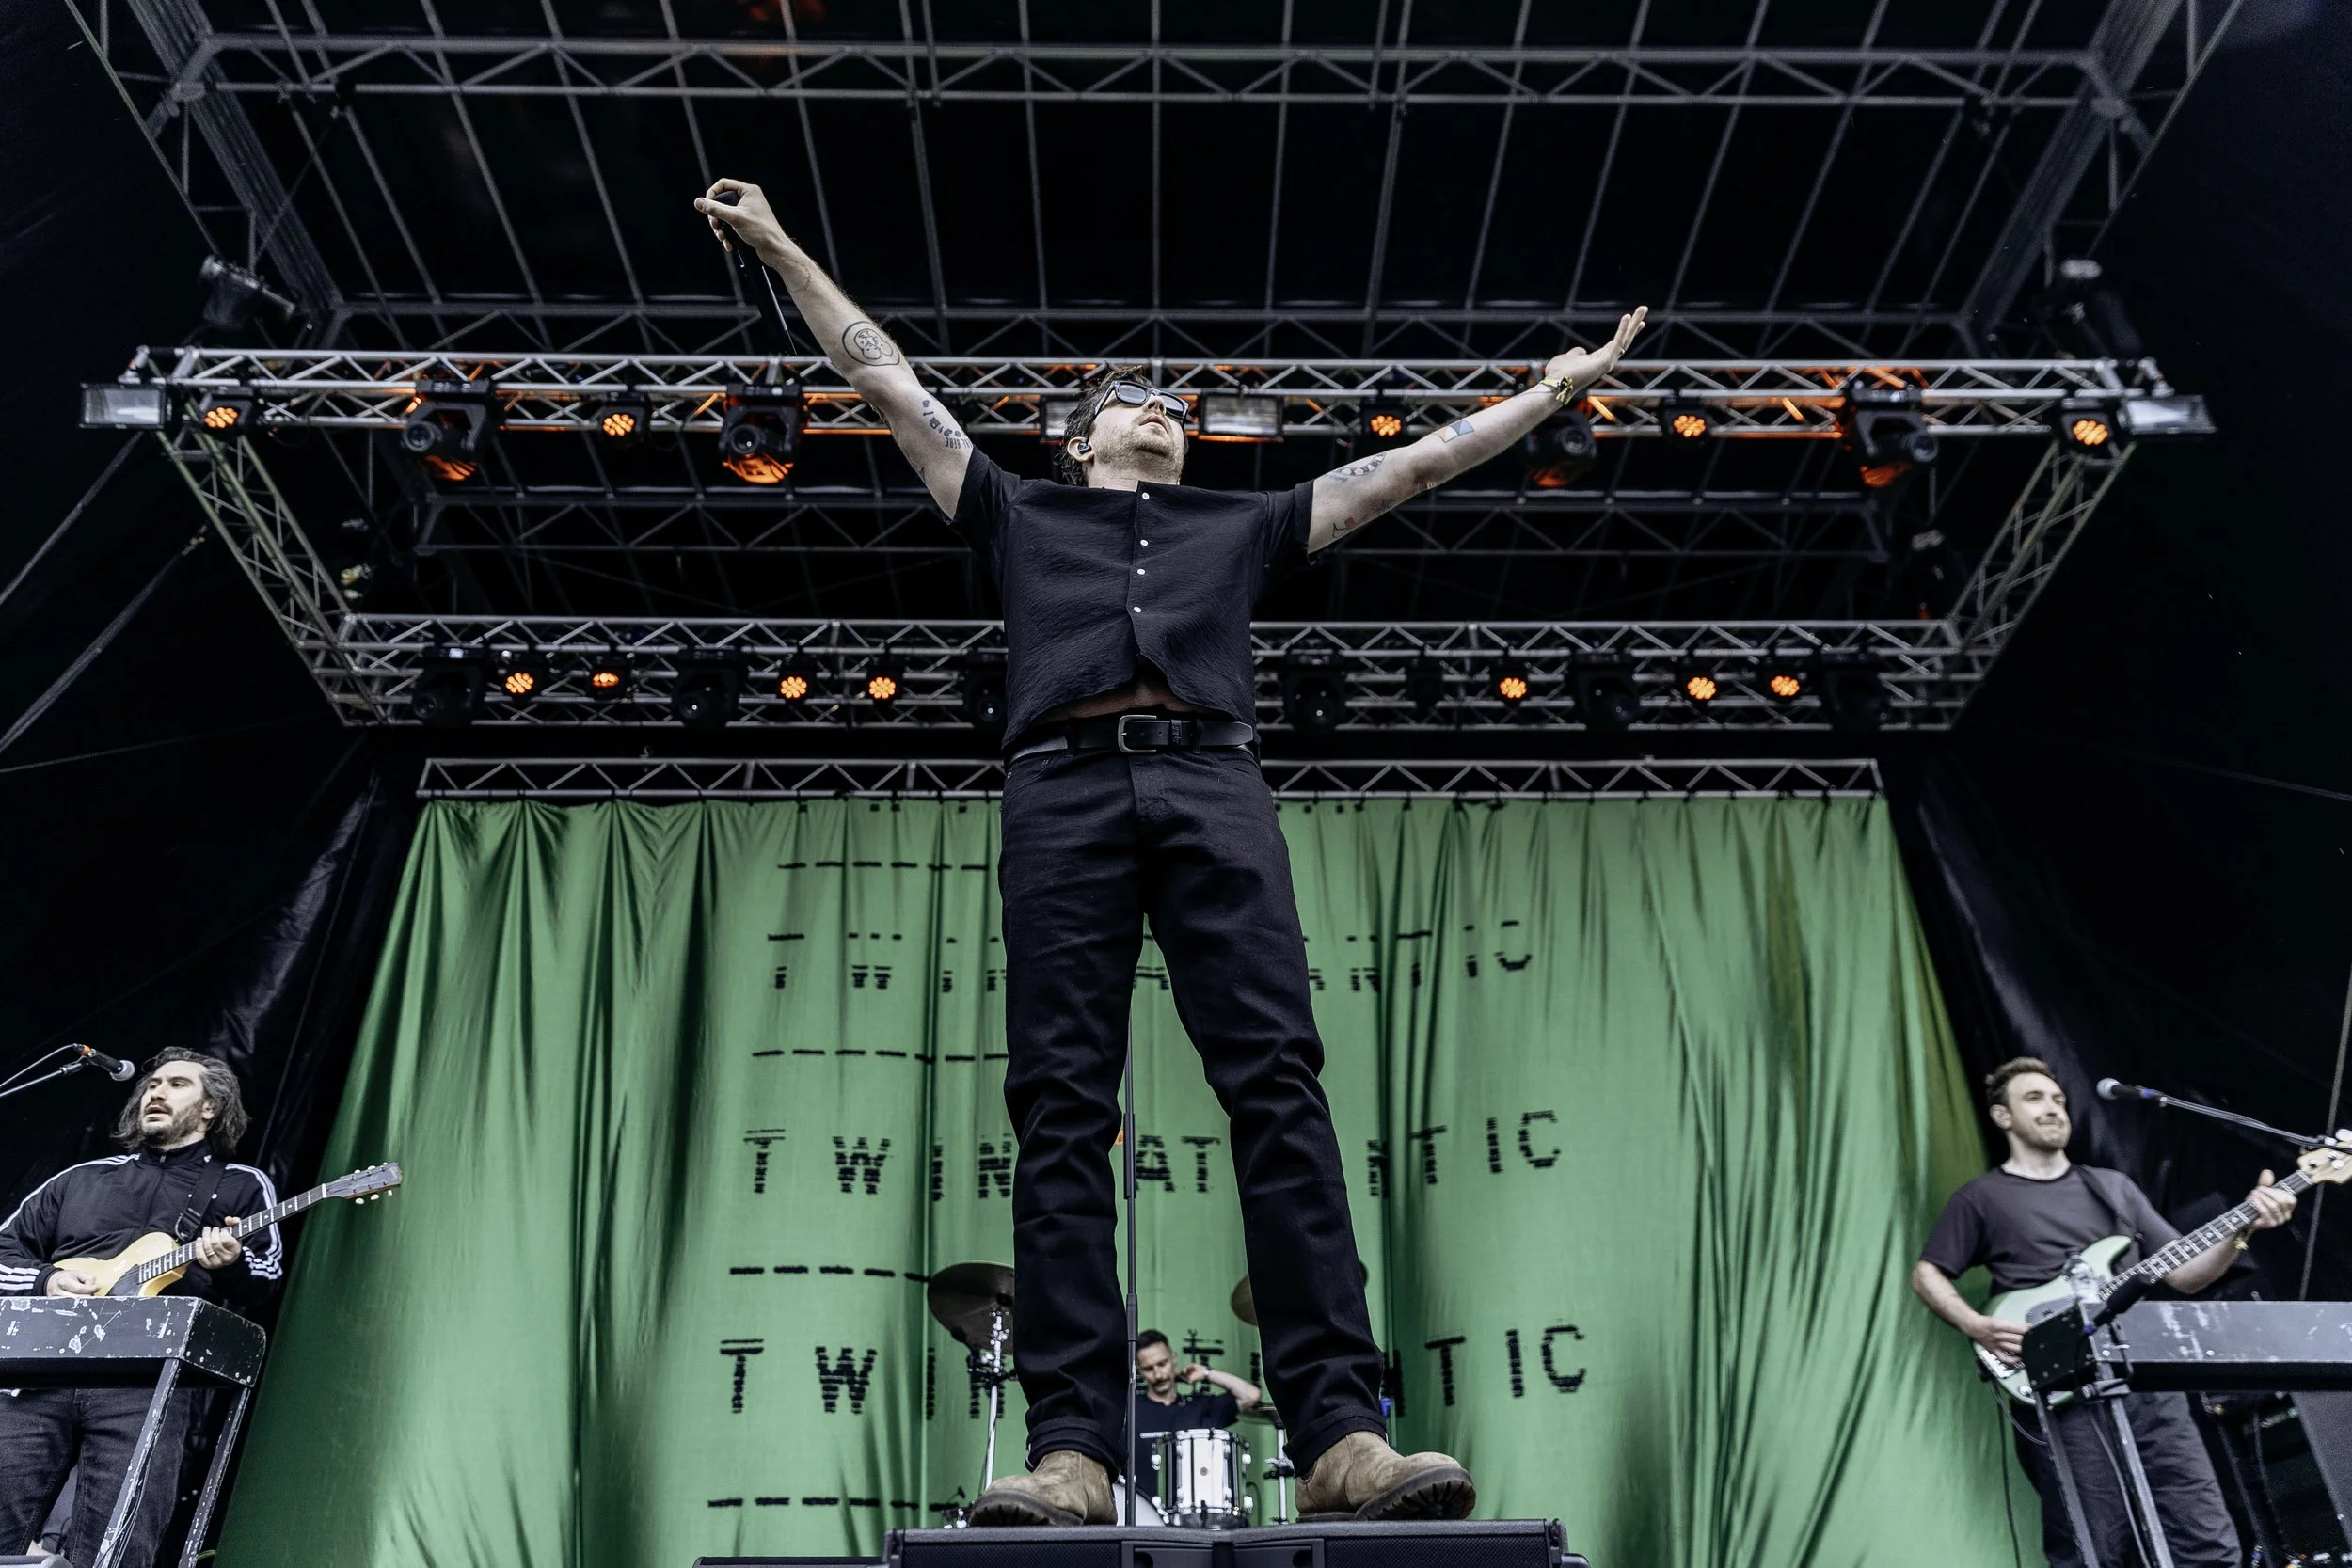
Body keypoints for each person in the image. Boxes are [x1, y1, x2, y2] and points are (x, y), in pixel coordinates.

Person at [697, 175, 1646, 1527]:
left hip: (1212, 785)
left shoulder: (1240, 526)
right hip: (1062, 795)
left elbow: (1416, 464)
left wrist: (1552, 390)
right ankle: (1077, 1444)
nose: (1164, 407)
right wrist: (788, 246)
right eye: (1135, 401)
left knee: (1279, 1090)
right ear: (1082, 443)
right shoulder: (1019, 510)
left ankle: (1338, 1431)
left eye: (1178, 409)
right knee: (1063, 1111)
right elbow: (890, 382)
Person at [1910, 1056, 2295, 1568]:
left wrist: (2242, 1227)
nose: (2052, 1109)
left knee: (2203, 1532)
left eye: (2058, 1100)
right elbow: (1927, 1274)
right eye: (2034, 1099)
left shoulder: (2112, 1188)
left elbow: (2185, 1274)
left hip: (2147, 1380)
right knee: (2095, 1543)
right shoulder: (1981, 1199)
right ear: (2002, 1117)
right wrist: (1976, 1325)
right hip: (2063, 1387)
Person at [0, 1050, 283, 1567]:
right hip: (41, 1371)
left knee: (121, 1544)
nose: (155, 1092)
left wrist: (231, 1264)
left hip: (146, 1385)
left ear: (210, 1109)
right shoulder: (81, 1179)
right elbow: (4, 1249)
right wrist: (47, 1279)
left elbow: (265, 1282)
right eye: (152, 1084)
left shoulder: (240, 1186)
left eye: (176, 1084)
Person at [1130, 1331, 1263, 1496]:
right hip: (1144, 1515)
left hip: (1197, 1514)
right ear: (1140, 1370)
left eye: (1162, 1363)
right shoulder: (1130, 1411)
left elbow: (1251, 1395)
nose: (1158, 1374)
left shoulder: (1199, 1407)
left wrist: (1206, 1373)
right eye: (1149, 1368)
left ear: (1174, 1358)